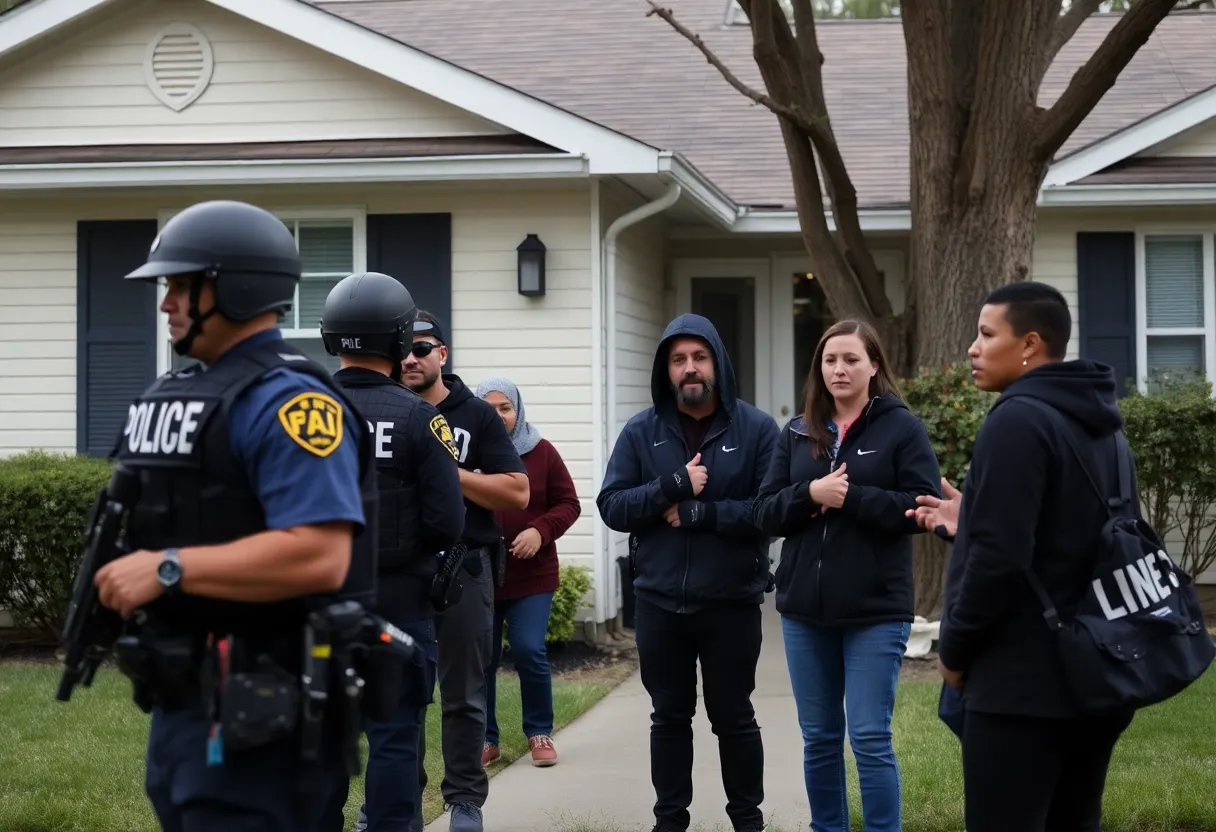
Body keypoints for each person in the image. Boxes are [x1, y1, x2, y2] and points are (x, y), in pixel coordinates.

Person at [91, 199, 373, 831]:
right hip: (185, 702)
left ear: (237, 288)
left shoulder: (292, 403)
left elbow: (319, 554)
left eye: (181, 286)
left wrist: (166, 569)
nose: (166, 303)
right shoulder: (189, 395)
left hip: (260, 712)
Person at [908, 281, 1138, 832]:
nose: (972, 347)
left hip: (1021, 688)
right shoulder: (1102, 425)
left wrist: (955, 653)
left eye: (987, 334)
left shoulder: (1017, 419)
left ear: (1030, 343)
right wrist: (975, 519)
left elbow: (1000, 559)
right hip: (1095, 674)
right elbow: (1073, 534)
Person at [752, 319, 941, 832]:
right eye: (830, 360)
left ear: (873, 365)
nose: (839, 369)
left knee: (870, 737)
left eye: (851, 359)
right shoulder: (795, 432)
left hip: (876, 610)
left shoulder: (902, 428)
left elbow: (924, 507)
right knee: (818, 737)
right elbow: (765, 511)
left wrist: (851, 497)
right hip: (804, 612)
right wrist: (810, 495)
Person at [596, 313, 779, 832]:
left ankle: (748, 820)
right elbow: (611, 505)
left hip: (732, 603)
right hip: (659, 604)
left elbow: (771, 510)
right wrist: (670, 486)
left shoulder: (758, 429)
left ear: (718, 363)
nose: (690, 368)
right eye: (679, 360)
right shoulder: (641, 430)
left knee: (734, 718)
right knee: (669, 718)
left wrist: (706, 513)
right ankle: (670, 821)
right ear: (666, 370)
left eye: (699, 357)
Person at [317, 271, 467, 832]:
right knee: (395, 741)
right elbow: (448, 521)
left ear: (332, 337)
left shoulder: (299, 414)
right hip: (400, 607)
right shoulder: (421, 418)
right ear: (402, 340)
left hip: (318, 608)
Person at [403, 311, 530, 832]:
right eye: (403, 349)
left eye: (424, 348)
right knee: (402, 694)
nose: (412, 358)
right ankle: (399, 800)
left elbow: (516, 491)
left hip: (465, 569)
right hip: (400, 574)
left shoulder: (475, 415)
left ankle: (464, 803)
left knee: (464, 696)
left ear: (443, 355)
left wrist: (448, 474)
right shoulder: (389, 409)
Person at [475, 376, 582, 768]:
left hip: (531, 576)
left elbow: (569, 503)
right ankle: (485, 738)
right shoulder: (466, 454)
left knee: (528, 649)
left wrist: (541, 530)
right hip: (480, 574)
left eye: (505, 408)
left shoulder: (541, 452)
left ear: (518, 411)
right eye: (489, 408)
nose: (498, 415)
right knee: (481, 657)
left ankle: (539, 731)